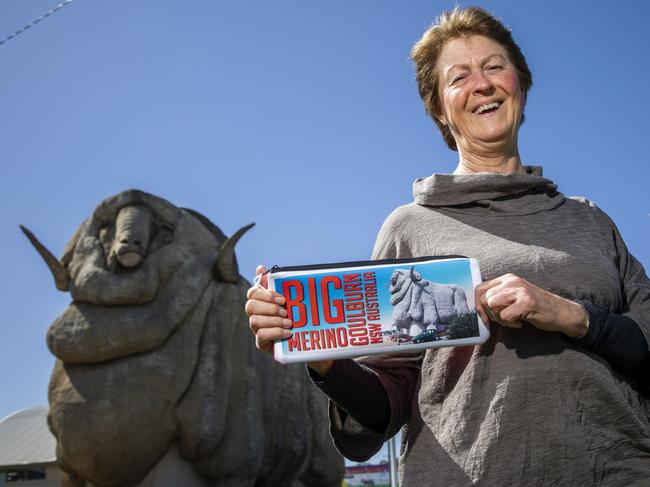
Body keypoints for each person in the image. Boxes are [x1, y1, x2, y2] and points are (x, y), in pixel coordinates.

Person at [246, 6, 650, 486]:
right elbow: (387, 401)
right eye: (459, 77)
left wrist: (568, 314)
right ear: (440, 107)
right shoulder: (410, 228)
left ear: (520, 83)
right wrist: (325, 355)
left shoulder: (590, 219)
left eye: (495, 66)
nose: (482, 83)